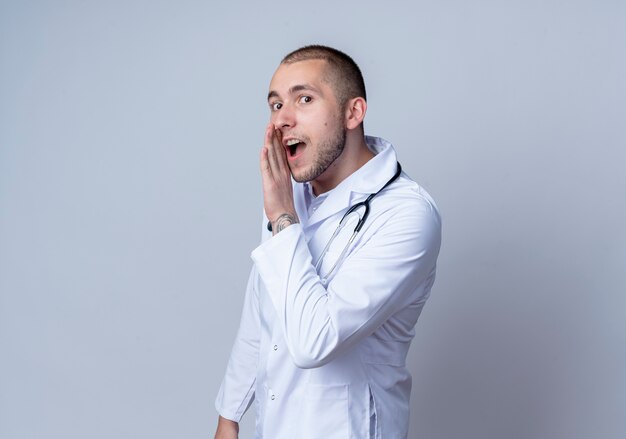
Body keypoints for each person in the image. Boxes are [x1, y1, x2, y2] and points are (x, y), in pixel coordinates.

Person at [213, 45, 441, 439]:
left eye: (304, 99)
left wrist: (282, 218)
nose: (282, 118)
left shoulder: (406, 214)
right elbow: (262, 308)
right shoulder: (292, 194)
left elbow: (314, 343)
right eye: (274, 104)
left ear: (353, 113)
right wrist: (228, 415)